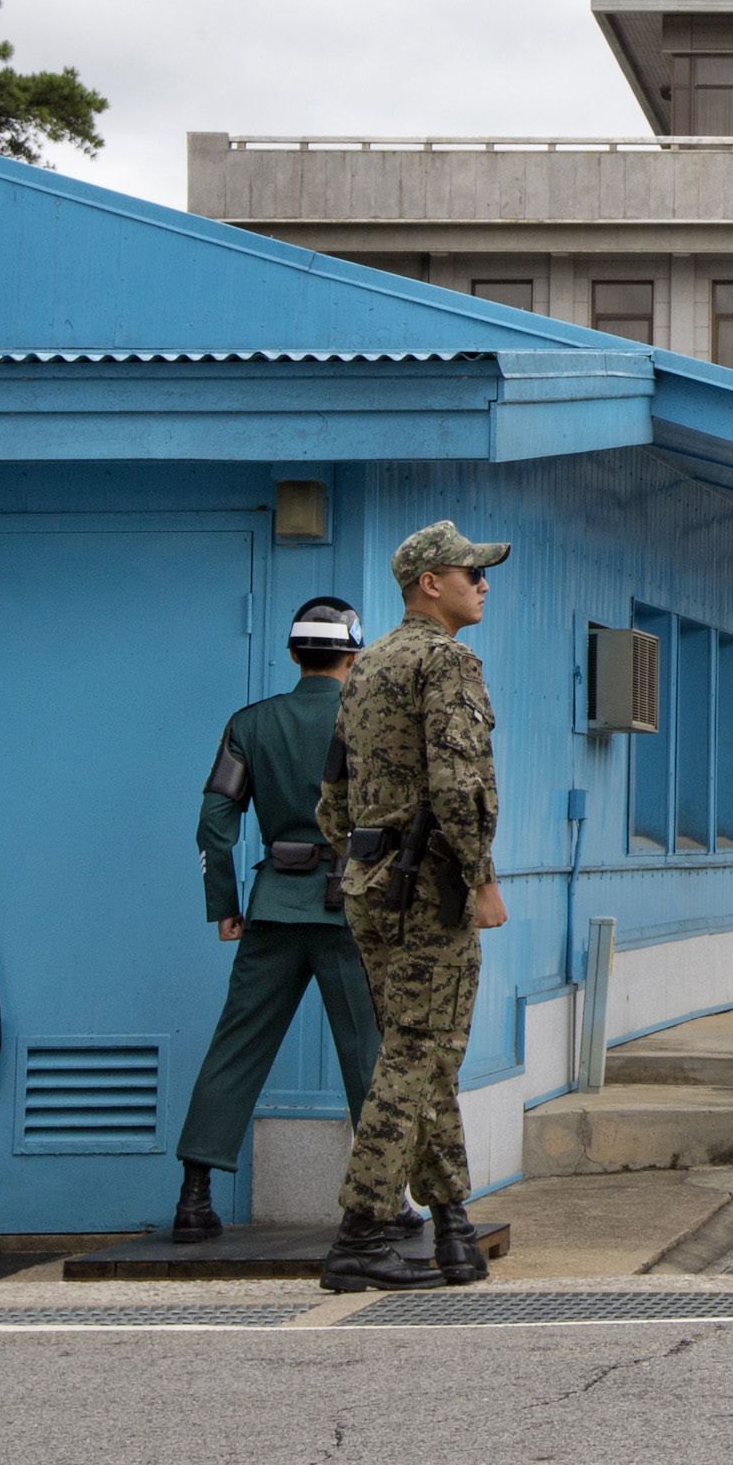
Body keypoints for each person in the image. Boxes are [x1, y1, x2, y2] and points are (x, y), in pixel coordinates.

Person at [316, 522, 512, 1293]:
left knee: (421, 1052)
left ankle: (453, 1226)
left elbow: (333, 789)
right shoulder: (445, 660)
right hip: (428, 885)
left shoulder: (366, 668)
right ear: (430, 581)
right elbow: (461, 784)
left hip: (370, 880)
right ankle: (362, 1228)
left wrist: (358, 853)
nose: (483, 583)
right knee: (417, 1052)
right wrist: (480, 876)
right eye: (472, 571)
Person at [169, 598, 396, 1244]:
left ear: (295, 653)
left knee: (236, 1047)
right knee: (368, 1051)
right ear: (354, 654)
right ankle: (382, 1203)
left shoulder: (250, 723)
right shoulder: (375, 722)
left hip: (273, 905)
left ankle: (193, 1197)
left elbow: (215, 823)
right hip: (354, 909)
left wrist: (225, 906)